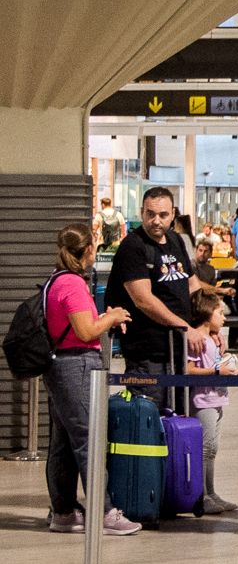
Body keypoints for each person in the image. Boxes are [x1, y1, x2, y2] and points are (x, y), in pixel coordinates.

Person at [42, 224, 140, 536]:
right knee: (90, 441)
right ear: (87, 251)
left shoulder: (55, 280)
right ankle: (105, 511)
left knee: (63, 442)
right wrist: (111, 318)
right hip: (77, 367)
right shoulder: (72, 284)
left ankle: (64, 510)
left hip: (59, 365)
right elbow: (85, 332)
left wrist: (103, 318)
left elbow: (78, 324)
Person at [106, 186, 219, 405]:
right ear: (142, 213)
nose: (156, 221)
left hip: (179, 353)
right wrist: (185, 328)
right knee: (150, 422)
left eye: (163, 215)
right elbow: (143, 300)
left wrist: (207, 326)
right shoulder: (133, 247)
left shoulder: (176, 241)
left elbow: (193, 285)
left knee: (177, 420)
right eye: (150, 214)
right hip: (148, 354)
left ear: (173, 214)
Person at [182, 291, 238, 515]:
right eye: (219, 312)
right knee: (205, 448)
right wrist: (217, 370)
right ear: (206, 313)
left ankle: (211, 491)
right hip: (203, 400)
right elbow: (188, 369)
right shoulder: (198, 341)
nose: (223, 316)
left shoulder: (213, 340)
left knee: (212, 449)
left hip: (216, 399)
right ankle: (201, 494)